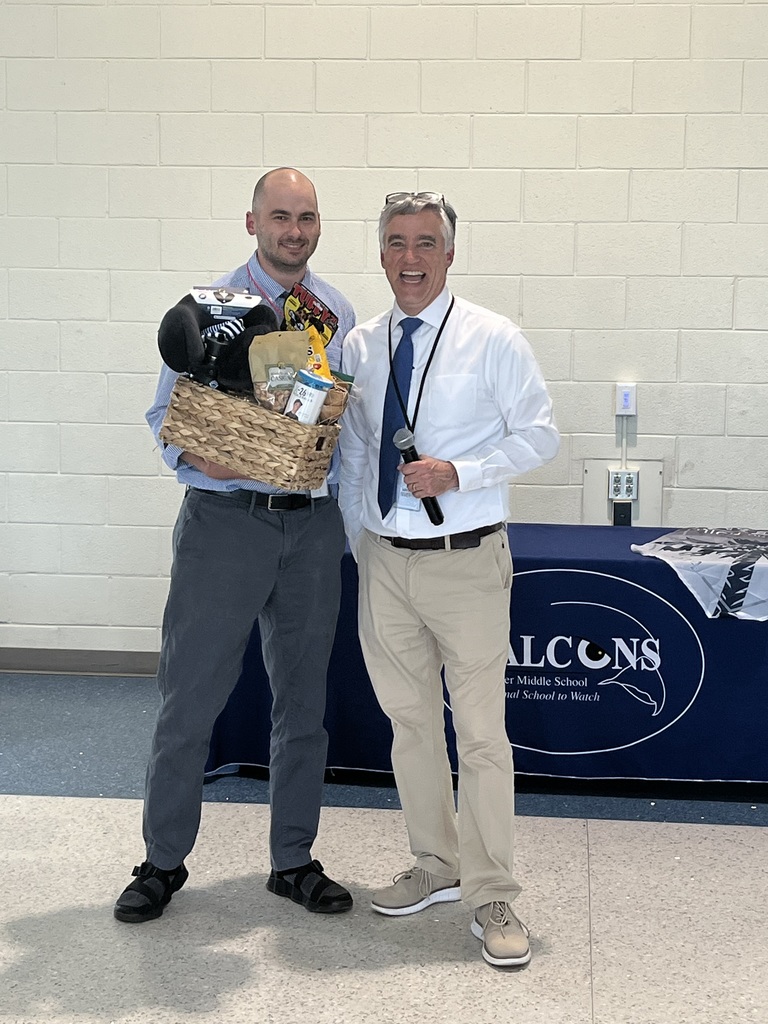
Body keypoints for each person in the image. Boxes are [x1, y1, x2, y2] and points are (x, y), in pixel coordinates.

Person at [114, 168, 356, 923]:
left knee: (304, 705)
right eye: (279, 216)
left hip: (312, 526)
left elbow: (342, 426)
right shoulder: (208, 311)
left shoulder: (335, 312)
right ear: (251, 222)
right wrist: (215, 455)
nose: (294, 230)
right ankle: (161, 863)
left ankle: (293, 859)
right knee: (190, 701)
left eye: (306, 217)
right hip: (225, 524)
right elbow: (166, 419)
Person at [338, 192, 559, 967]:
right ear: (381, 251)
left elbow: (541, 435)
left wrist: (459, 472)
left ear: (450, 252)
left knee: (481, 736)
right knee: (409, 725)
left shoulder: (492, 338)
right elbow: (357, 455)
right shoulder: (361, 345)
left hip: (466, 561)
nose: (410, 257)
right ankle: (435, 862)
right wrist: (359, 545)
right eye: (396, 241)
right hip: (385, 565)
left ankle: (493, 889)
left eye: (426, 242)